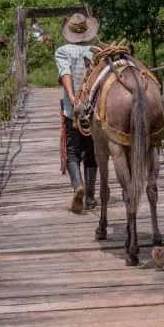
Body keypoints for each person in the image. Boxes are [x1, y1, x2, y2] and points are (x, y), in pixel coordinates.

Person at [55, 13, 99, 213]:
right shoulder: (96, 51)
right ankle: (90, 197)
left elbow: (66, 73)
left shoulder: (62, 51)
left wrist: (72, 97)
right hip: (94, 110)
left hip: (72, 110)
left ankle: (78, 187)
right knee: (92, 153)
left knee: (73, 152)